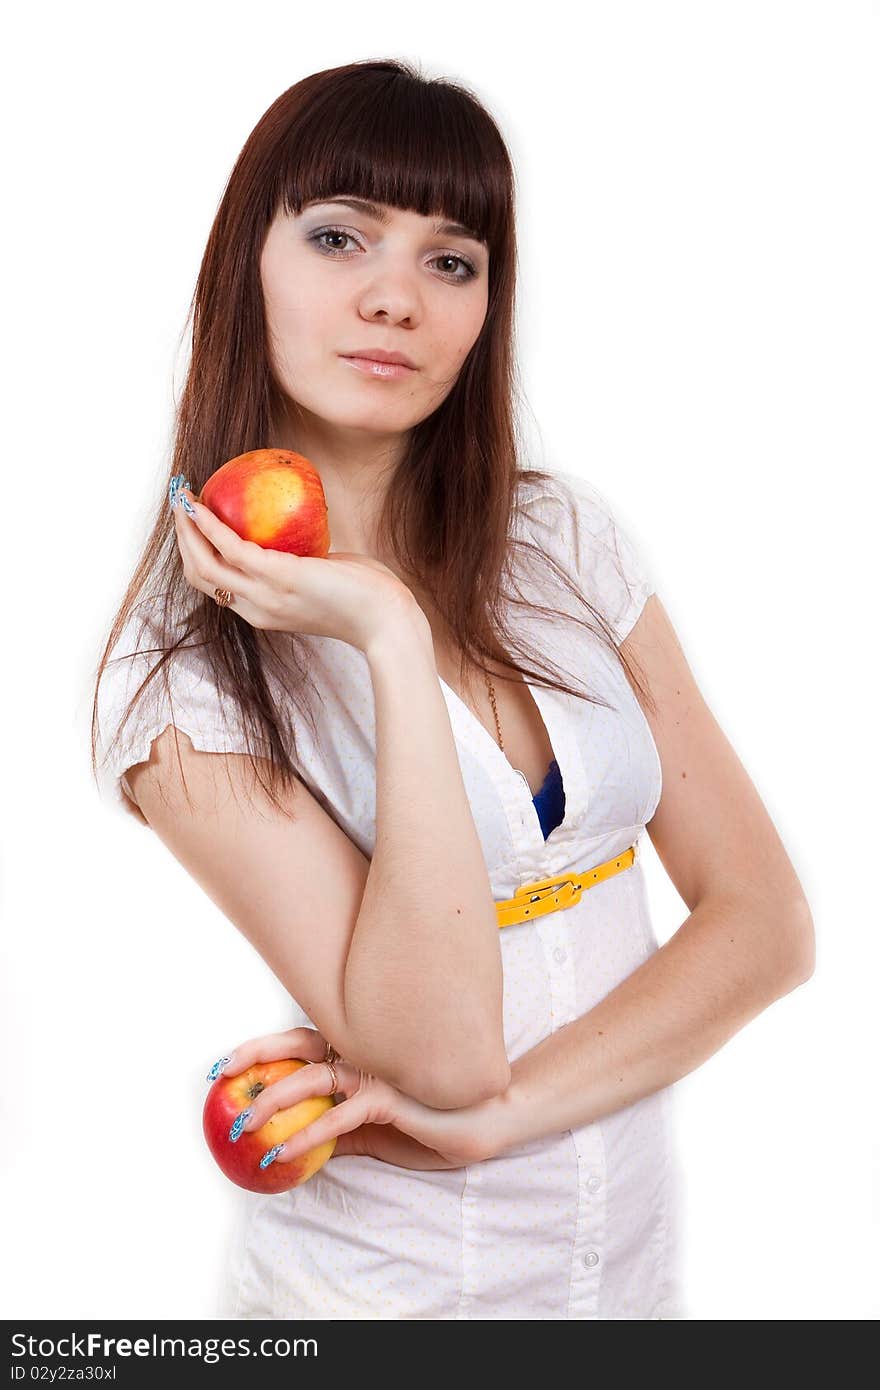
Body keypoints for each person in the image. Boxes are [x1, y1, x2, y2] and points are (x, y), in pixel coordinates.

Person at [91, 59, 815, 1321]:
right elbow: (437, 1054)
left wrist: (497, 1121)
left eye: (451, 260)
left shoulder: (562, 543)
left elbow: (765, 923)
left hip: (621, 1276)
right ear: (241, 268)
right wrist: (384, 631)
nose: (393, 299)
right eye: (337, 237)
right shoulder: (180, 675)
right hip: (387, 1295)